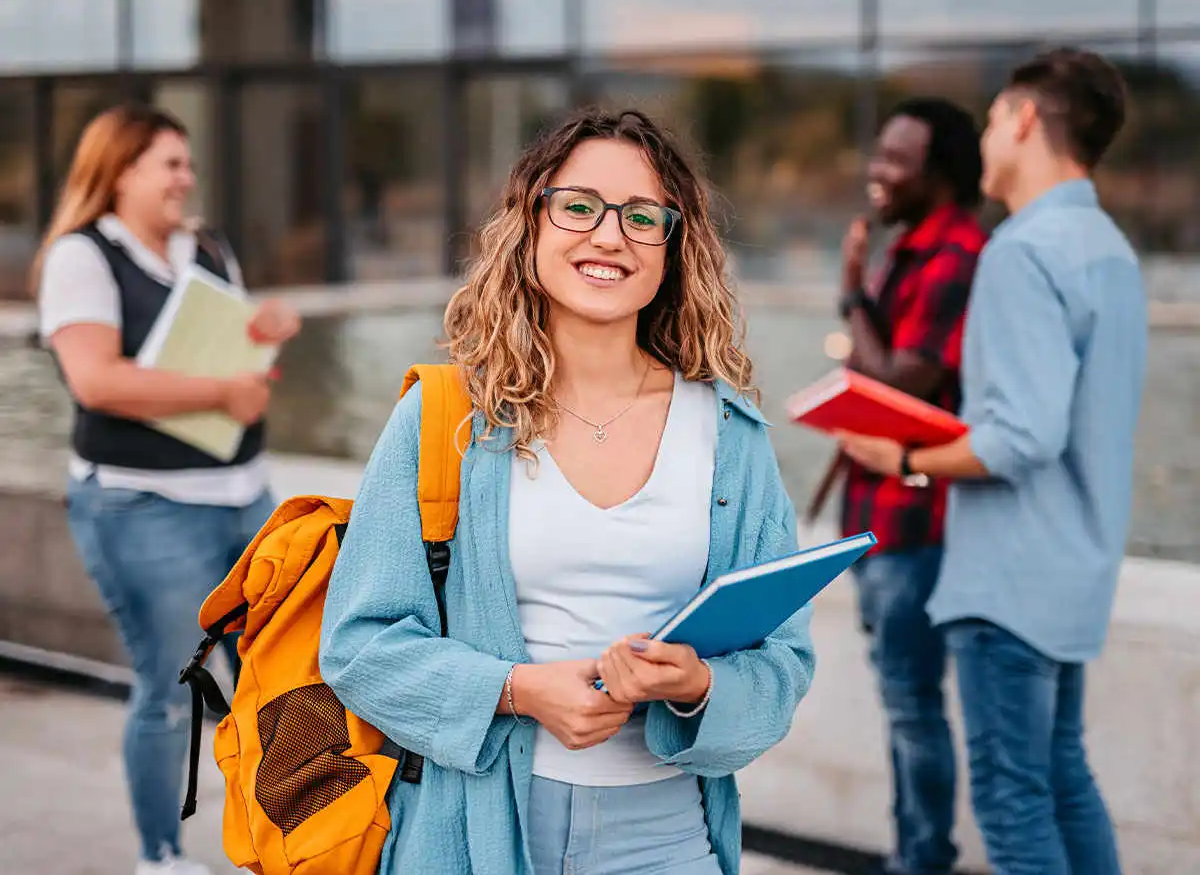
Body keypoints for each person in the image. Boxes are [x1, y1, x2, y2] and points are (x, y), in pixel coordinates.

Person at [319, 108, 816, 875]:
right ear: (531, 224)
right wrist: (517, 691)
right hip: (474, 835)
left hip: (667, 840)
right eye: (579, 206)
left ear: (674, 247)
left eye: (642, 217)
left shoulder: (731, 439)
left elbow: (783, 665)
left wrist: (698, 686)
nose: (609, 236)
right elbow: (357, 647)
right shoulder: (446, 417)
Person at [838, 47, 1144, 875]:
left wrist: (900, 456)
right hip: (1073, 573)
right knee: (1062, 780)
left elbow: (1019, 437)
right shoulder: (1108, 248)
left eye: (991, 119)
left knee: (1014, 803)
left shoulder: (1020, 249)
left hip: (1008, 583)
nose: (981, 142)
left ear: (1022, 119)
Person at [33, 103, 301, 875]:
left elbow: (227, 349)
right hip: (141, 504)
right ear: (119, 172)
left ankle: (284, 845)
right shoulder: (81, 257)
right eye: (170, 164)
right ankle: (160, 858)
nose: (188, 177)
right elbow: (96, 380)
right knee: (173, 684)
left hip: (245, 495)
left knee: (280, 680)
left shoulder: (205, 246)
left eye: (187, 162)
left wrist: (263, 333)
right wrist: (222, 395)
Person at [828, 98, 986, 875]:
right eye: (878, 154)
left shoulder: (955, 255)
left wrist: (853, 292)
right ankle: (910, 853)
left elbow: (903, 387)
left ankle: (921, 860)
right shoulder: (911, 248)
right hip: (877, 513)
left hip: (917, 522)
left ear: (941, 175)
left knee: (913, 706)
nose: (877, 173)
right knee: (902, 703)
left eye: (897, 161)